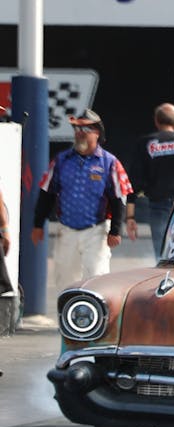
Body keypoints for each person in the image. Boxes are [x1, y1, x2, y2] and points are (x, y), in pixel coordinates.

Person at [31, 109, 133, 291]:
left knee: (96, 280)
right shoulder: (61, 160)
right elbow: (47, 192)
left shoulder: (109, 162)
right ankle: (67, 310)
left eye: (85, 129)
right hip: (66, 230)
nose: (80, 133)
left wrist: (116, 230)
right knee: (65, 281)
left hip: (97, 231)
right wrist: (38, 224)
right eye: (77, 129)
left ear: (97, 133)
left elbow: (119, 197)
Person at [125, 103, 174, 259]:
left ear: (156, 121)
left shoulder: (145, 142)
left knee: (162, 253)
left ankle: (164, 272)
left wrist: (130, 217)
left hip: (158, 204)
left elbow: (134, 182)